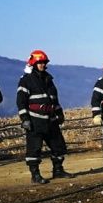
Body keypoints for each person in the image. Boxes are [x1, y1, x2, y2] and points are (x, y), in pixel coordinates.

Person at [16, 49, 70, 184]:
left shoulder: (48, 79)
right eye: (40, 63)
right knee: (34, 149)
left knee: (58, 146)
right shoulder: (26, 80)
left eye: (44, 63)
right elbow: (21, 101)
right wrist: (25, 119)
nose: (42, 65)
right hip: (35, 120)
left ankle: (58, 170)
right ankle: (35, 174)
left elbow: (54, 99)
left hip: (51, 119)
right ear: (33, 63)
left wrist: (59, 113)